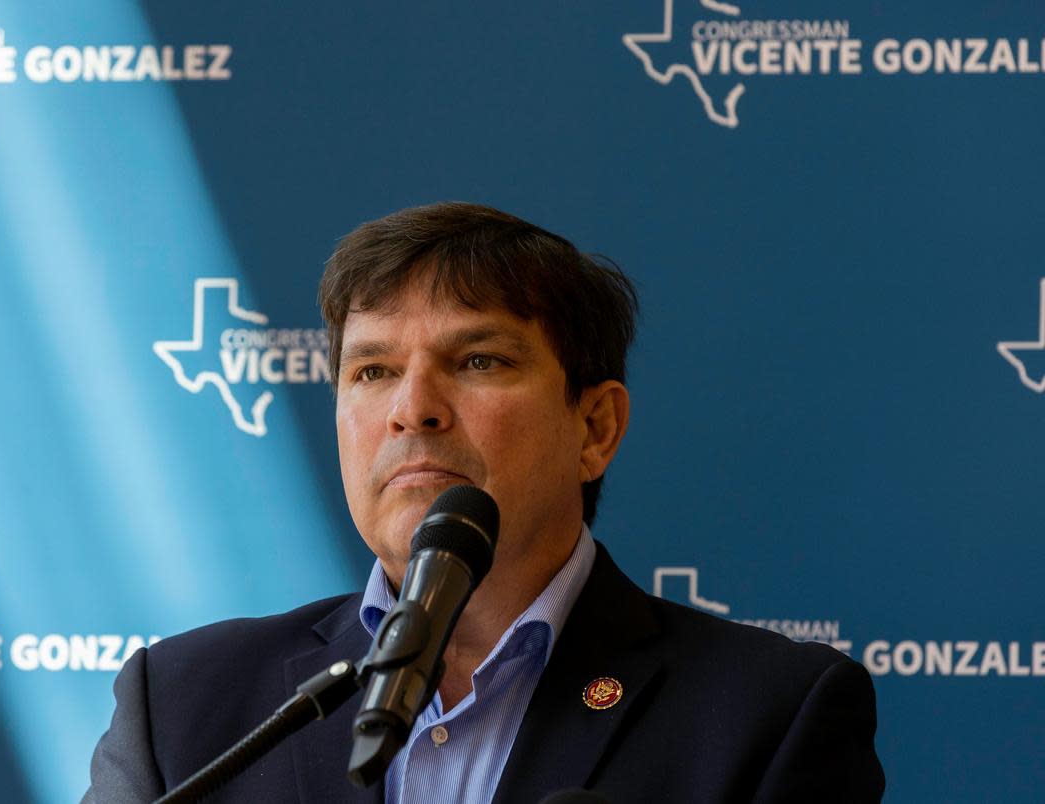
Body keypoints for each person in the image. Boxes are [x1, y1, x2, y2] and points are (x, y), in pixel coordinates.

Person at [84, 202, 884, 803]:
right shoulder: (185, 705)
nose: (413, 408)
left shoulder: (769, 717)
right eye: (371, 371)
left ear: (595, 427)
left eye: (477, 361)